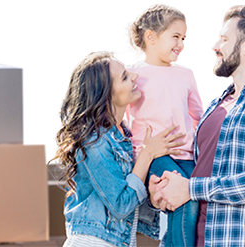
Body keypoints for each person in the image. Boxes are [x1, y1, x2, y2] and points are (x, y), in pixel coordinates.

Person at [148, 5, 245, 247]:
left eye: (223, 39)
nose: (215, 47)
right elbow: (197, 169)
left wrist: (191, 188)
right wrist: (164, 188)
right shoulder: (215, 105)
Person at [48, 51, 186, 247]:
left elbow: (127, 198)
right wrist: (147, 154)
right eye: (125, 77)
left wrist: (153, 197)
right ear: (106, 94)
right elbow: (120, 205)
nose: (135, 77)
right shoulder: (95, 142)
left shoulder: (123, 137)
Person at [125, 3, 205, 247]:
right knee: (184, 201)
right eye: (175, 37)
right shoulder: (132, 75)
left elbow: (199, 117)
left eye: (183, 38)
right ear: (151, 37)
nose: (181, 44)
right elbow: (120, 116)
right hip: (153, 157)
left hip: (187, 156)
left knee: (195, 205)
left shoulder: (185, 76)